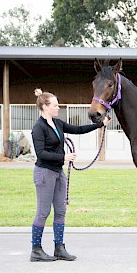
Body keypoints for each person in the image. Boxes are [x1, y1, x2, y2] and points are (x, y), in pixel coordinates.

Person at [30, 88, 111, 262]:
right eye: (55, 105)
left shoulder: (58, 123)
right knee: (43, 212)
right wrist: (63, 157)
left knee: (61, 210)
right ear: (45, 106)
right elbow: (40, 153)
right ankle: (36, 250)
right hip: (44, 173)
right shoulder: (39, 128)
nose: (58, 108)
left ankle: (59, 248)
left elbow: (79, 129)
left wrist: (100, 124)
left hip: (58, 172)